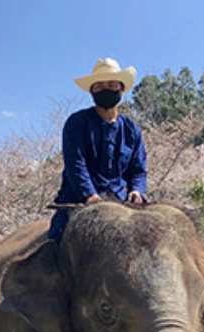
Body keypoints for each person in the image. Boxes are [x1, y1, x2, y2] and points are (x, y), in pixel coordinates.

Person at [48, 57, 148, 243]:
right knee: (54, 248)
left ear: (122, 88)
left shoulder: (132, 129)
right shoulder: (77, 123)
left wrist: (136, 190)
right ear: (92, 91)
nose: (105, 89)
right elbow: (75, 165)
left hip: (121, 203)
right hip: (77, 200)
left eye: (111, 84)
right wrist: (89, 195)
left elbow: (138, 169)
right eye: (99, 86)